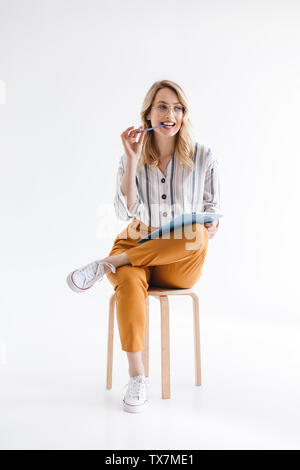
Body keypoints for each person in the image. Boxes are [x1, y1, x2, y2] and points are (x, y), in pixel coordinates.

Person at [66, 80, 222, 413]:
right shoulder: (132, 157)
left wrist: (213, 222)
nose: (171, 115)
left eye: (178, 108)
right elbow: (125, 212)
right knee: (127, 278)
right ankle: (137, 377)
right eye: (163, 107)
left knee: (197, 232)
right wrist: (131, 158)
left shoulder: (204, 155)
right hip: (138, 239)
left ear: (184, 115)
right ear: (148, 113)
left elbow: (212, 212)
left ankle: (110, 261)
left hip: (180, 258)